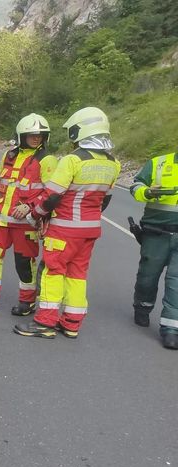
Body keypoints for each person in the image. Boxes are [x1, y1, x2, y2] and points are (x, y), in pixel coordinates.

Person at [14, 107, 120, 339]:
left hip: (63, 230)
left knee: (53, 273)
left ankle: (45, 322)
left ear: (79, 132)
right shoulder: (113, 163)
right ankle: (72, 323)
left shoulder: (72, 161)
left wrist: (35, 215)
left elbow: (51, 196)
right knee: (77, 275)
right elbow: (105, 200)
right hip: (90, 231)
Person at [0, 113, 54, 315]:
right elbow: (0, 186)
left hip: (26, 223)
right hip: (1, 220)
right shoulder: (9, 156)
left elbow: (51, 192)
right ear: (22, 136)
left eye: (40, 135)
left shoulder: (47, 160)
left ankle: (27, 302)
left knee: (24, 263)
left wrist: (31, 206)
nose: (36, 138)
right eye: (32, 135)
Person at [129, 151, 178, 349]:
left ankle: (171, 329)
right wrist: (147, 192)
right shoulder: (158, 163)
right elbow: (135, 186)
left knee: (176, 280)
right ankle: (142, 307)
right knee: (147, 276)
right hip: (156, 232)